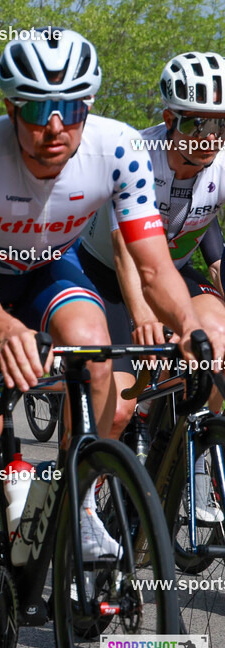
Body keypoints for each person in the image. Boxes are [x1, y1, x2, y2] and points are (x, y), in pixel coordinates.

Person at [0, 30, 220, 648]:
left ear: (90, 107)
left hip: (51, 270)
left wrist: (188, 330)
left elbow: (154, 267)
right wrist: (9, 331)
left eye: (72, 108)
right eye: (36, 108)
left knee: (98, 365)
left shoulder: (117, 147)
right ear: (11, 109)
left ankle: (76, 506)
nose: (54, 126)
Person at [75, 50, 225, 522]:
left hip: (172, 270)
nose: (209, 139)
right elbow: (124, 251)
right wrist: (144, 318)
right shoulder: (137, 155)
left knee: (220, 343)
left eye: (220, 126)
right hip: (105, 273)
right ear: (168, 119)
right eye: (197, 125)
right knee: (116, 410)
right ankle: (78, 502)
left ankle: (193, 457)